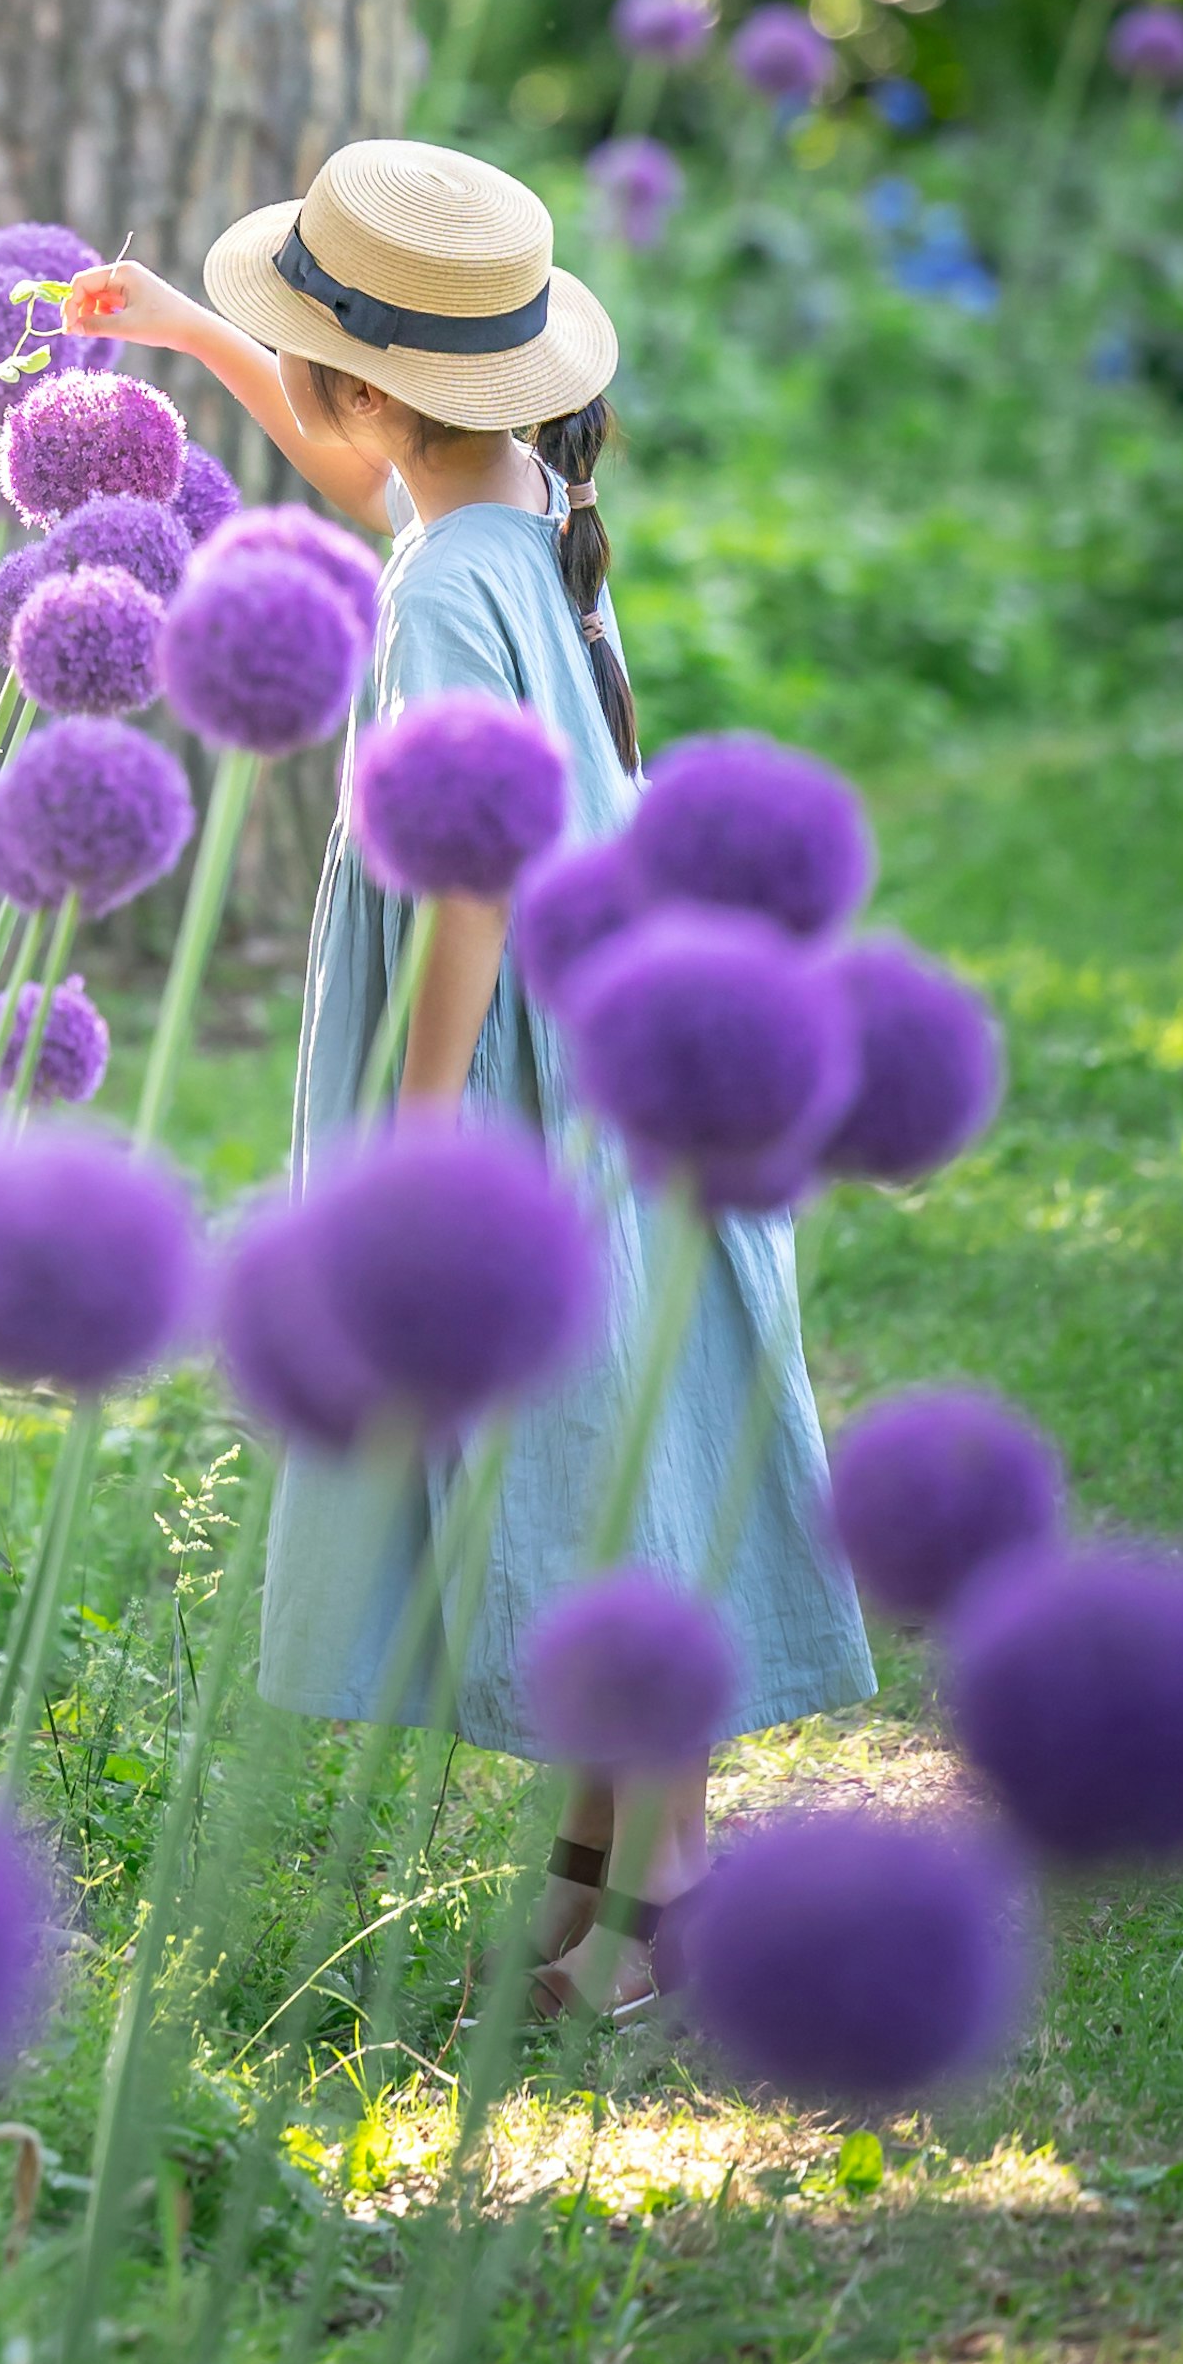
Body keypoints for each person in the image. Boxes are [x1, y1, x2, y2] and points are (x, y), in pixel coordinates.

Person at [67, 137, 870, 2014]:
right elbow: (369, 465)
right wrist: (196, 339)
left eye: (305, 362)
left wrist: (417, 1152)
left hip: (515, 1074)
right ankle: (607, 1865)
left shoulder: (439, 595)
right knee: (613, 1448)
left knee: (600, 1471)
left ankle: (664, 1897)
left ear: (373, 383)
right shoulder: (517, 507)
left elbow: (469, 890)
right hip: (617, 1049)